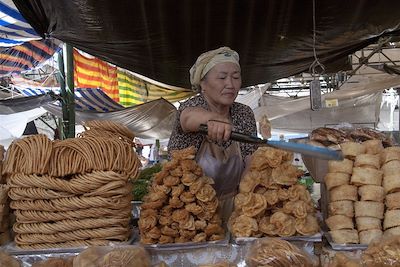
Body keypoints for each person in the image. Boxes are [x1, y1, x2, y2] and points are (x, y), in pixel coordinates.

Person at [167, 46, 258, 201]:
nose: (230, 84)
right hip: (189, 207)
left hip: (234, 203)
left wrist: (246, 199)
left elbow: (251, 162)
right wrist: (212, 119)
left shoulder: (244, 113)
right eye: (222, 77)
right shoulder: (191, 107)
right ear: (203, 84)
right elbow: (188, 118)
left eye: (236, 77)